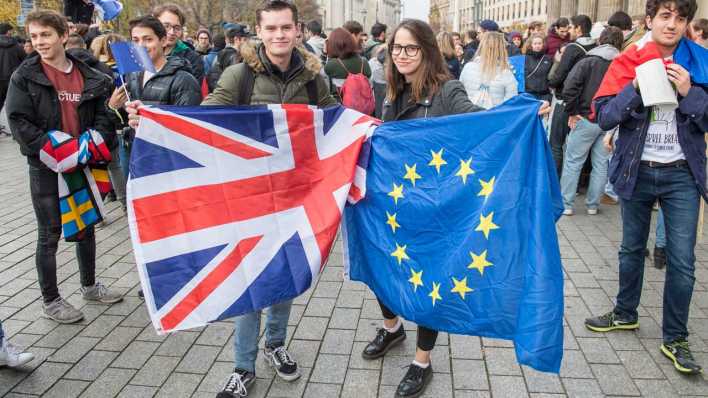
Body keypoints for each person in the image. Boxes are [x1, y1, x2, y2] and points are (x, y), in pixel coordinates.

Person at [126, 2, 337, 397]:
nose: (279, 35)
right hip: (250, 200)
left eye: (286, 28)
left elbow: (334, 122)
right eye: (271, 28)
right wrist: (154, 119)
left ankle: (276, 345)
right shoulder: (239, 75)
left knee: (286, 277)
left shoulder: (314, 78)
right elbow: (205, 120)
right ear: (259, 30)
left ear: (297, 30)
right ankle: (243, 367)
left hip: (294, 197)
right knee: (251, 282)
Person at [366, 19, 485, 398]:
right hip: (393, 206)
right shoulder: (388, 89)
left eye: (411, 48)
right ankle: (391, 329)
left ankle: (421, 362)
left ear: (427, 51)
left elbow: (479, 120)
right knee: (382, 268)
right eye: (396, 48)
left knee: (427, 283)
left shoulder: (447, 90)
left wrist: (519, 115)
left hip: (433, 208)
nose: (401, 55)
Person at [586, 0, 706, 376]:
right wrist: (635, 87)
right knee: (630, 249)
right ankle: (625, 313)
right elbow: (603, 115)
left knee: (683, 262)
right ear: (649, 20)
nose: (672, 24)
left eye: (680, 18)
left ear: (686, 23)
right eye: (665, 16)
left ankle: (675, 338)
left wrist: (691, 92)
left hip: (682, 174)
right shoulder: (628, 60)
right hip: (636, 170)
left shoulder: (699, 60)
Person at [6, 10, 124, 324]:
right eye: (33, 36)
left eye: (45, 35)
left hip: (83, 163)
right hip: (46, 166)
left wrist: (85, 146)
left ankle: (89, 287)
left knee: (85, 226)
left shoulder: (91, 75)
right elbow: (18, 121)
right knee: (49, 235)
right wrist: (55, 150)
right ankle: (51, 300)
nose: (39, 42)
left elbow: (104, 117)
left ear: (62, 35)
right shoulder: (25, 75)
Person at [559, 27, 623, 216]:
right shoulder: (622, 63)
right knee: (601, 164)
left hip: (586, 117)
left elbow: (569, 87)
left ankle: (566, 204)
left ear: (600, 40)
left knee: (573, 161)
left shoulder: (588, 61)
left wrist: (572, 111)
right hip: (610, 121)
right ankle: (593, 205)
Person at [548, 14, 596, 178]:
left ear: (579, 29)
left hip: (566, 101)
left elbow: (560, 75)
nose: (569, 31)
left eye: (571, 27)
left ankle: (554, 179)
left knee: (556, 143)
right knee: (577, 149)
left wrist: (552, 80)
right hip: (585, 103)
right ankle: (577, 183)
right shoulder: (596, 47)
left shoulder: (573, 48)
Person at [460, 31, 518, 109]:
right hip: (495, 118)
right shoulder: (506, 73)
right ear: (502, 49)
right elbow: (511, 103)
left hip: (469, 116)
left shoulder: (468, 67)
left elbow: (460, 94)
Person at [153, 3, 205, 82]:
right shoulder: (144, 54)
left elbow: (191, 91)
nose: (172, 32)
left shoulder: (193, 59)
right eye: (166, 26)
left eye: (177, 28)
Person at [0, 23, 26, 136]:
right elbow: (25, 61)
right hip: (13, 80)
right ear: (7, 32)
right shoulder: (16, 46)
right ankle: (17, 133)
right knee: (15, 107)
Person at [207, 26, 248, 92]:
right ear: (237, 39)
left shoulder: (222, 53)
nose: (247, 43)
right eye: (245, 40)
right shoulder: (235, 57)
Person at [523, 33, 552, 103]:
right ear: (531, 45)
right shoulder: (525, 58)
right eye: (535, 43)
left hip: (545, 95)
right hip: (530, 95)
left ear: (543, 44)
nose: (537, 46)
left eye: (539, 43)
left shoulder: (548, 59)